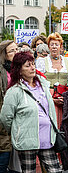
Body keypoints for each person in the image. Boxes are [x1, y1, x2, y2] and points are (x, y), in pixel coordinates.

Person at [0, 52, 61, 172]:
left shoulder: (43, 85)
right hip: (27, 142)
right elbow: (5, 117)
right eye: (27, 65)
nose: (32, 68)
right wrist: (18, 131)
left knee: (56, 170)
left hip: (47, 139)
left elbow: (50, 111)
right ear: (19, 70)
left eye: (33, 64)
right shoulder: (14, 91)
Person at [36, 32, 68, 127]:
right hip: (48, 97)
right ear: (48, 47)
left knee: (65, 125)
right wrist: (51, 98)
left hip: (65, 97)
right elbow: (38, 83)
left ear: (61, 47)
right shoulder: (42, 61)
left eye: (56, 44)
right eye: (51, 45)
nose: (54, 47)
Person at [0, 40, 18, 172]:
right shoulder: (2, 71)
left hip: (16, 115)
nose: (15, 53)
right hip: (4, 115)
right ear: (3, 54)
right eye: (11, 51)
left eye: (16, 49)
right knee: (4, 150)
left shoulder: (16, 68)